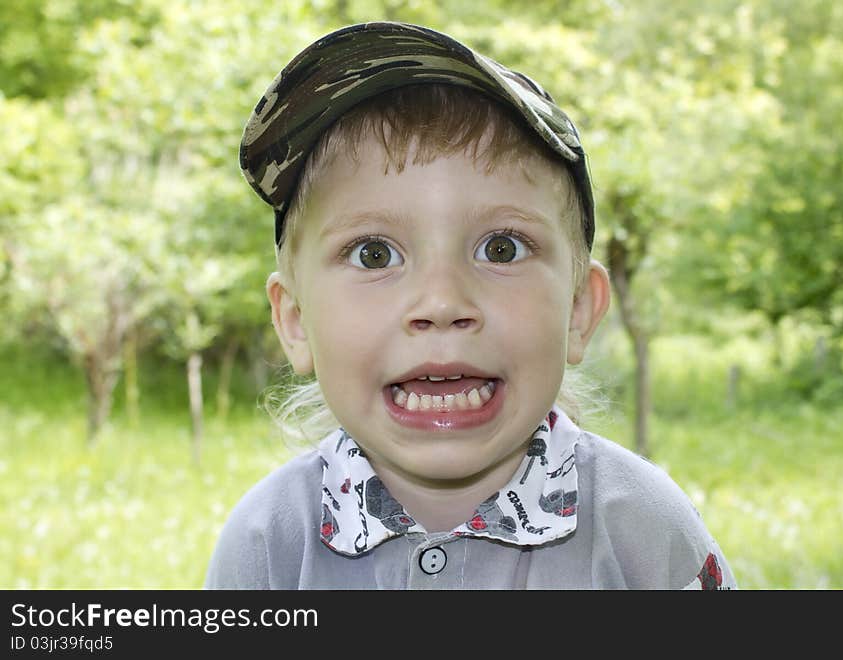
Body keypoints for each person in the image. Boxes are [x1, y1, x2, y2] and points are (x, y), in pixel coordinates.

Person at [204, 21, 736, 590]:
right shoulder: (268, 548)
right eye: (374, 253)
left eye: (500, 249)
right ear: (296, 321)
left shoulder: (645, 536)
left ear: (580, 310)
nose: (441, 302)